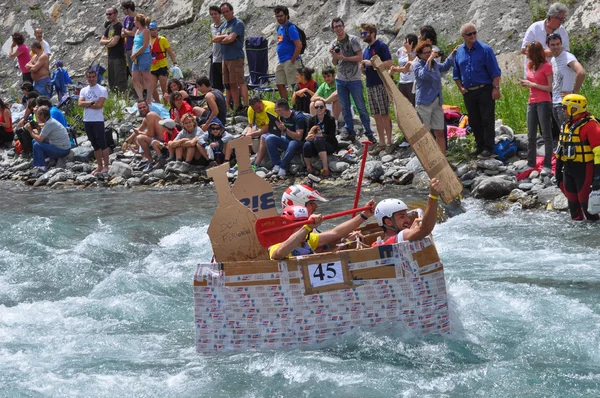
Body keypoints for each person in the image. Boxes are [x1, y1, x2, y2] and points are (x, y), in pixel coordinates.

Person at [453, 23, 502, 160]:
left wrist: (496, 88)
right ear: (463, 36)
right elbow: (456, 72)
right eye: (469, 34)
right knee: (474, 121)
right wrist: (460, 88)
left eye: (475, 33)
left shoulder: (485, 49)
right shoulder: (459, 52)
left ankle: (489, 148)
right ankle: (479, 146)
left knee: (487, 119)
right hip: (468, 92)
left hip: (484, 89)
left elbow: (495, 71)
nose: (473, 36)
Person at [269, 199, 375, 260]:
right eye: (298, 226)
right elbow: (279, 254)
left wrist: (363, 216)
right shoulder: (277, 243)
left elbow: (335, 233)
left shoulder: (308, 239)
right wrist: (306, 227)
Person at [329, 17, 376, 144]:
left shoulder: (353, 40)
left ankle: (369, 133)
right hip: (340, 78)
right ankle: (349, 131)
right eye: (335, 27)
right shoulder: (334, 43)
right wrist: (335, 56)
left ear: (343, 26)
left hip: (354, 79)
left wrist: (344, 57)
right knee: (345, 107)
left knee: (361, 107)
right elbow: (334, 63)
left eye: (340, 26)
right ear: (333, 29)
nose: (338, 28)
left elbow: (359, 57)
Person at [555, 94, 600, 221]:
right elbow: (561, 149)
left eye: (565, 108)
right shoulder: (567, 125)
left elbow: (599, 153)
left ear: (574, 108)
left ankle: (593, 236)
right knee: (573, 205)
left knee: (586, 206)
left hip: (585, 169)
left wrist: (597, 178)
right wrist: (557, 171)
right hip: (568, 168)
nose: (563, 110)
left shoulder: (591, 125)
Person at [413, 41, 455, 155]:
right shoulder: (417, 65)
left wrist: (452, 54)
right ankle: (428, 158)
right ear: (419, 55)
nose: (428, 54)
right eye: (425, 53)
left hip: (436, 101)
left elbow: (445, 67)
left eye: (429, 52)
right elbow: (424, 75)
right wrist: (430, 59)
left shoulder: (435, 64)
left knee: (440, 131)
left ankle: (442, 158)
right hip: (424, 103)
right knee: (425, 133)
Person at [372, 178, 440, 245]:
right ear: (388, 222)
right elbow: (425, 229)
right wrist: (433, 197)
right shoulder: (402, 236)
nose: (408, 220)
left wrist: (364, 216)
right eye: (402, 216)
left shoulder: (376, 244)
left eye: (406, 215)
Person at [520, 41, 553, 174]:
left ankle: (548, 164)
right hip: (531, 101)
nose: (525, 53)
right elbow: (531, 82)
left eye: (527, 51)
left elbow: (550, 87)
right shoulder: (529, 65)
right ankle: (530, 162)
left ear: (533, 52)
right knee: (531, 134)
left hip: (544, 101)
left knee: (546, 134)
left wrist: (532, 84)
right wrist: (527, 84)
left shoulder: (547, 66)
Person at [360, 23, 394, 153]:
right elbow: (368, 70)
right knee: (376, 115)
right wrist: (363, 69)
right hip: (370, 84)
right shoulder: (366, 50)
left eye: (364, 33)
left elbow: (389, 63)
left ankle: (390, 141)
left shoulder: (381, 46)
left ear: (372, 33)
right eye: (361, 34)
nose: (362, 36)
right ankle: (381, 142)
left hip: (380, 83)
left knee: (384, 113)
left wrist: (372, 63)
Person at [212, 2, 248, 114]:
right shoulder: (223, 26)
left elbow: (231, 39)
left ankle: (246, 106)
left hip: (235, 57)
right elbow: (214, 38)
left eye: (227, 11)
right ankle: (236, 106)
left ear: (232, 11)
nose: (225, 14)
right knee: (230, 83)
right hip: (225, 58)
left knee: (240, 82)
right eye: (223, 12)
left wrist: (223, 38)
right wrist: (225, 36)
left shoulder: (238, 23)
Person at [548, 33, 586, 135]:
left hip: (565, 103)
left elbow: (581, 72)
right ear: (548, 46)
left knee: (568, 133)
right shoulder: (553, 60)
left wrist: (574, 92)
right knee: (563, 132)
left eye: (558, 44)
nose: (556, 47)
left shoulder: (568, 57)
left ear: (561, 44)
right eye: (553, 45)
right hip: (555, 101)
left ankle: (571, 151)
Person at [521, 2, 569, 76]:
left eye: (564, 19)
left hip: (554, 74)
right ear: (552, 17)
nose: (563, 22)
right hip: (535, 74)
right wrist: (542, 52)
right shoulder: (534, 28)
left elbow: (566, 51)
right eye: (561, 19)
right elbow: (524, 49)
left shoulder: (562, 31)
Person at [266, 98, 308, 177]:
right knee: (269, 138)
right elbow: (282, 133)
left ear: (281, 110)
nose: (276, 112)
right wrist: (277, 129)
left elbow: (299, 137)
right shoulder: (282, 117)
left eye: (276, 110)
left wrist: (284, 129)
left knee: (293, 143)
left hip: (299, 143)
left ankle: (283, 167)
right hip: (288, 140)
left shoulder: (298, 117)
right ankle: (277, 164)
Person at [78, 69, 109, 175]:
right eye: (89, 77)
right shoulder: (83, 90)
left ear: (96, 77)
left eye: (93, 77)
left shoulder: (102, 89)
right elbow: (80, 103)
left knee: (102, 143)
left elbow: (99, 105)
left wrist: (87, 104)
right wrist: (91, 102)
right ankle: (99, 166)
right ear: (87, 78)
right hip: (87, 119)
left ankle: (106, 166)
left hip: (98, 120)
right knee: (94, 143)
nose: (91, 79)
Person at [26, 106, 71, 174]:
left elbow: (40, 139)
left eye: (38, 114)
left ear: (42, 115)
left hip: (63, 150)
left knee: (37, 145)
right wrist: (37, 127)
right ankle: (46, 159)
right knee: (34, 141)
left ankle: (41, 167)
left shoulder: (49, 124)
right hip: (60, 146)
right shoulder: (50, 121)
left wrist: (30, 131)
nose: (37, 116)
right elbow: (42, 136)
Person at [303, 99, 338, 176]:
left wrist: (322, 135)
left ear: (325, 108)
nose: (319, 109)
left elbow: (332, 136)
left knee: (318, 140)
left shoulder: (330, 119)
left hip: (328, 145)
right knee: (307, 144)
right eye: (316, 107)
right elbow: (308, 133)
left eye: (321, 107)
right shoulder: (311, 120)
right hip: (315, 144)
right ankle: (309, 167)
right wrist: (308, 138)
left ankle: (325, 168)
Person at [274, 5, 302, 99]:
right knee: (279, 83)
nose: (279, 18)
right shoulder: (279, 28)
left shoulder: (290, 28)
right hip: (281, 60)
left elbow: (298, 45)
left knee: (294, 84)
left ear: (286, 15)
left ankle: (298, 105)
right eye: (277, 16)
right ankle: (285, 105)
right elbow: (280, 42)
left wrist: (293, 59)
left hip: (290, 60)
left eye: (281, 16)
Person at [242, 96, 276, 168]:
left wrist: (251, 134)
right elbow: (250, 125)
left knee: (263, 137)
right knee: (243, 135)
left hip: (273, 128)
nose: (257, 110)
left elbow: (267, 129)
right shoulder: (251, 109)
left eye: (259, 108)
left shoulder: (269, 108)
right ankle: (243, 161)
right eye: (255, 109)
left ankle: (256, 163)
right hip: (259, 126)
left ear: (261, 102)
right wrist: (248, 134)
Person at [100, 7, 128, 93]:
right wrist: (109, 41)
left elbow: (114, 42)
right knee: (111, 81)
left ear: (115, 14)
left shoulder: (119, 26)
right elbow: (101, 41)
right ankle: (115, 100)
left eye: (110, 14)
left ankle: (123, 100)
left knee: (120, 81)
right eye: (107, 14)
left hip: (118, 57)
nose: (108, 16)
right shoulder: (109, 26)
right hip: (111, 57)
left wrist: (107, 43)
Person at [148, 22, 178, 103]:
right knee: (152, 88)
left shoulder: (162, 39)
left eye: (155, 29)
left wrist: (175, 62)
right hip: (152, 67)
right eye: (151, 30)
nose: (154, 31)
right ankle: (158, 104)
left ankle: (166, 105)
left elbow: (170, 51)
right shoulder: (147, 40)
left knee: (164, 88)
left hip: (162, 66)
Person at [131, 14, 153, 103]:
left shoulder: (146, 31)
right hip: (136, 56)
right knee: (135, 78)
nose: (134, 22)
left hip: (144, 55)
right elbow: (134, 44)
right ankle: (140, 98)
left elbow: (145, 45)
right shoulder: (137, 31)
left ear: (138, 21)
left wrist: (135, 54)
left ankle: (148, 98)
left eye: (135, 20)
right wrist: (133, 54)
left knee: (146, 77)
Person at [390, 33, 417, 106]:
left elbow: (410, 65)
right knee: (403, 105)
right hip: (402, 81)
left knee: (413, 105)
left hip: (411, 81)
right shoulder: (400, 51)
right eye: (405, 41)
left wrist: (409, 52)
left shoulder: (416, 52)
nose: (405, 43)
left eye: (407, 42)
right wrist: (395, 69)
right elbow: (400, 65)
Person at [209, 6, 225, 91]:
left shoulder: (224, 25)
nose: (214, 16)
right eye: (212, 14)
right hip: (214, 55)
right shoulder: (212, 26)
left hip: (223, 56)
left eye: (215, 14)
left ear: (219, 14)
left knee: (224, 80)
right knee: (215, 81)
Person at [121, 0, 138, 72]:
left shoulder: (137, 19)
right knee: (132, 72)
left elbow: (134, 34)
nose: (123, 11)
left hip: (136, 48)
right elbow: (122, 34)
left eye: (123, 9)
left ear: (128, 9)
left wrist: (125, 30)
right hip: (127, 48)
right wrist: (129, 31)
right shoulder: (126, 19)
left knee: (138, 72)